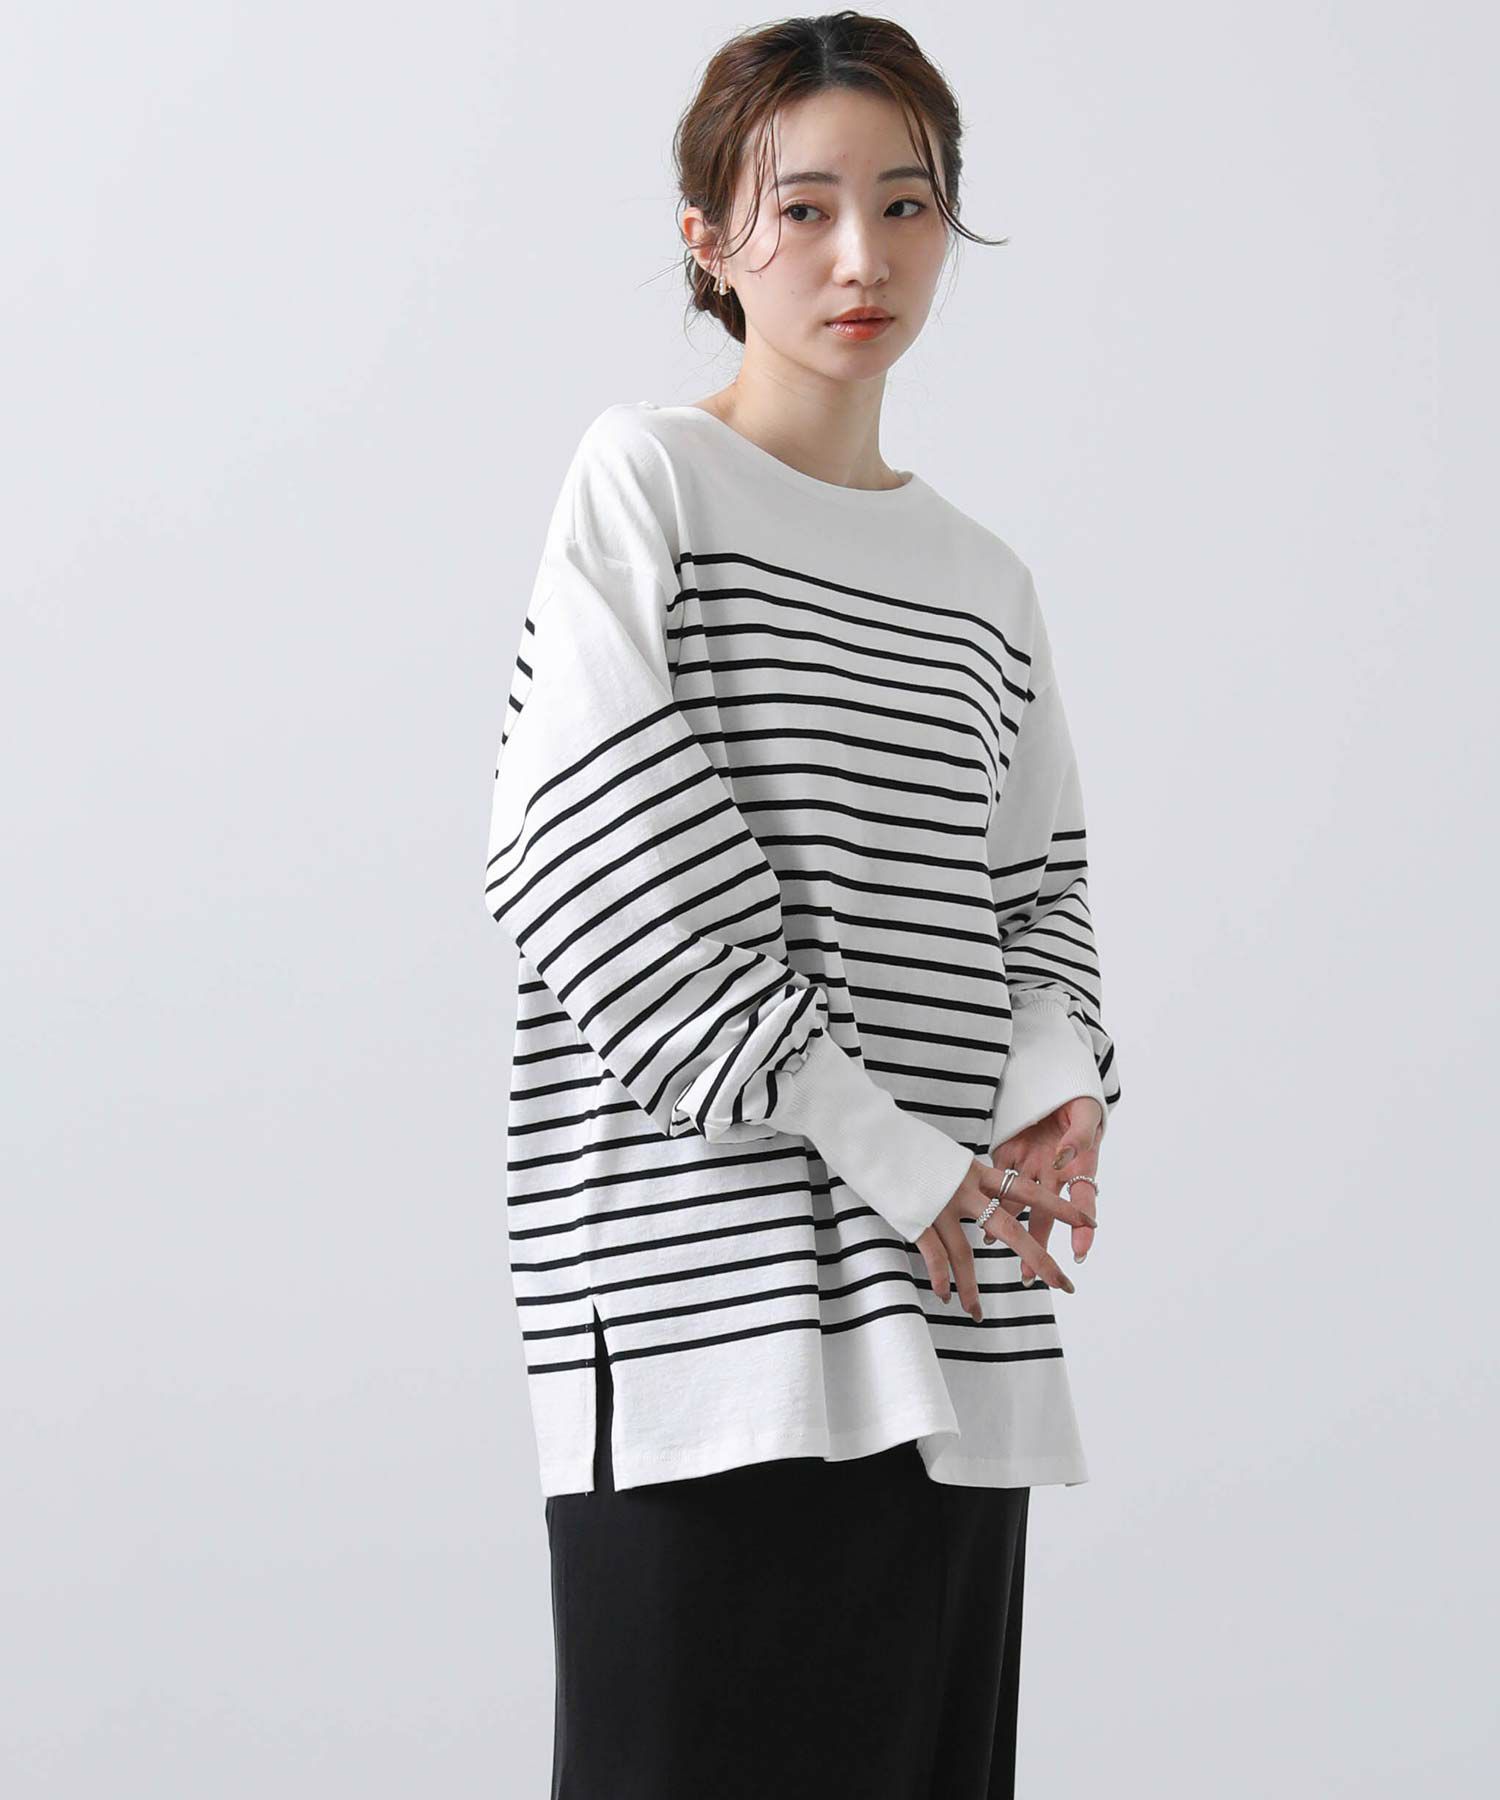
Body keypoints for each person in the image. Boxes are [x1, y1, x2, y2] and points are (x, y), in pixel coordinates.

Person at [482, 13, 1121, 1797]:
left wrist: (1055, 1081)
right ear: (709, 237)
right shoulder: (649, 484)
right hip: (703, 1327)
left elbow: (1037, 887)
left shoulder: (983, 583)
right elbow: (591, 854)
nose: (863, 258)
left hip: (955, 1325)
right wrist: (879, 1141)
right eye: (806, 207)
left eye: (907, 205)